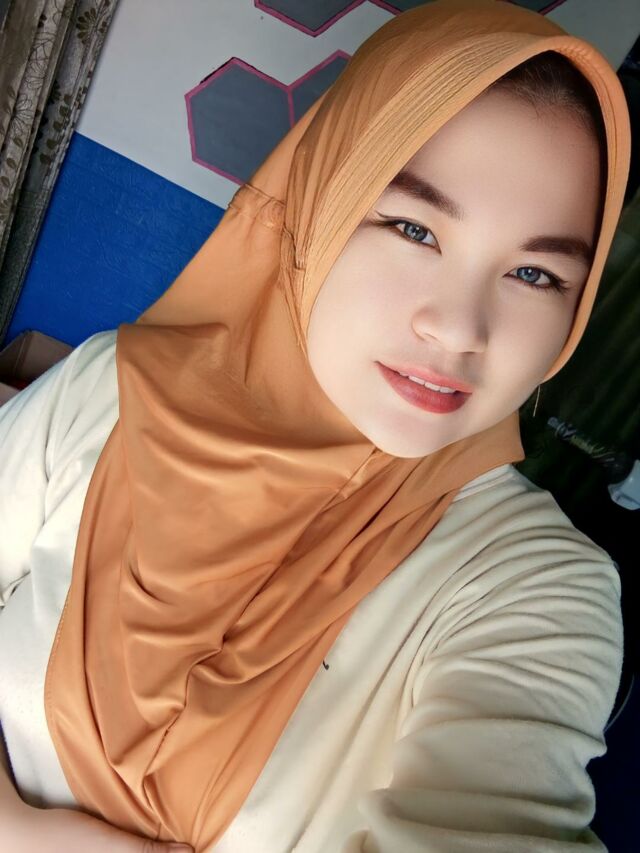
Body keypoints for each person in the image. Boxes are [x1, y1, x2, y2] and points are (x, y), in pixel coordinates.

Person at [0, 0, 632, 851]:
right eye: (413, 227)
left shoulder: (535, 589)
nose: (460, 329)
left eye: (535, 274)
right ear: (318, 207)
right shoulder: (109, 392)